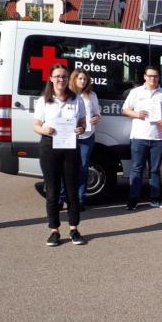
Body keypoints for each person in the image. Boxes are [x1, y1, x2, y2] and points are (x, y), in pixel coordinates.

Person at [33, 64, 87, 246]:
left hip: (70, 146)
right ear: (50, 78)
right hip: (49, 146)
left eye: (64, 76)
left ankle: (74, 229)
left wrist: (82, 128)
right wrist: (44, 129)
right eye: (57, 76)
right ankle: (54, 230)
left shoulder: (76, 99)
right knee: (53, 191)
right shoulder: (43, 101)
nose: (61, 79)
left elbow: (82, 121)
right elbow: (36, 125)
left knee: (72, 190)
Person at [122, 66, 162, 210]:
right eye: (150, 76)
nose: (153, 78)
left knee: (155, 170)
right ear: (144, 77)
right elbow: (125, 109)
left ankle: (155, 200)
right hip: (139, 136)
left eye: (156, 76)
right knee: (136, 169)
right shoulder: (135, 92)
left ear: (159, 77)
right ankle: (133, 200)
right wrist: (137, 114)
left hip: (158, 138)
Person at [58, 68, 101, 211]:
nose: (83, 81)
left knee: (83, 168)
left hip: (87, 136)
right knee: (65, 168)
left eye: (85, 79)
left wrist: (96, 118)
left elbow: (97, 113)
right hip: (68, 137)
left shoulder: (92, 95)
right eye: (80, 78)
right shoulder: (66, 94)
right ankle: (61, 198)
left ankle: (79, 200)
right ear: (74, 79)